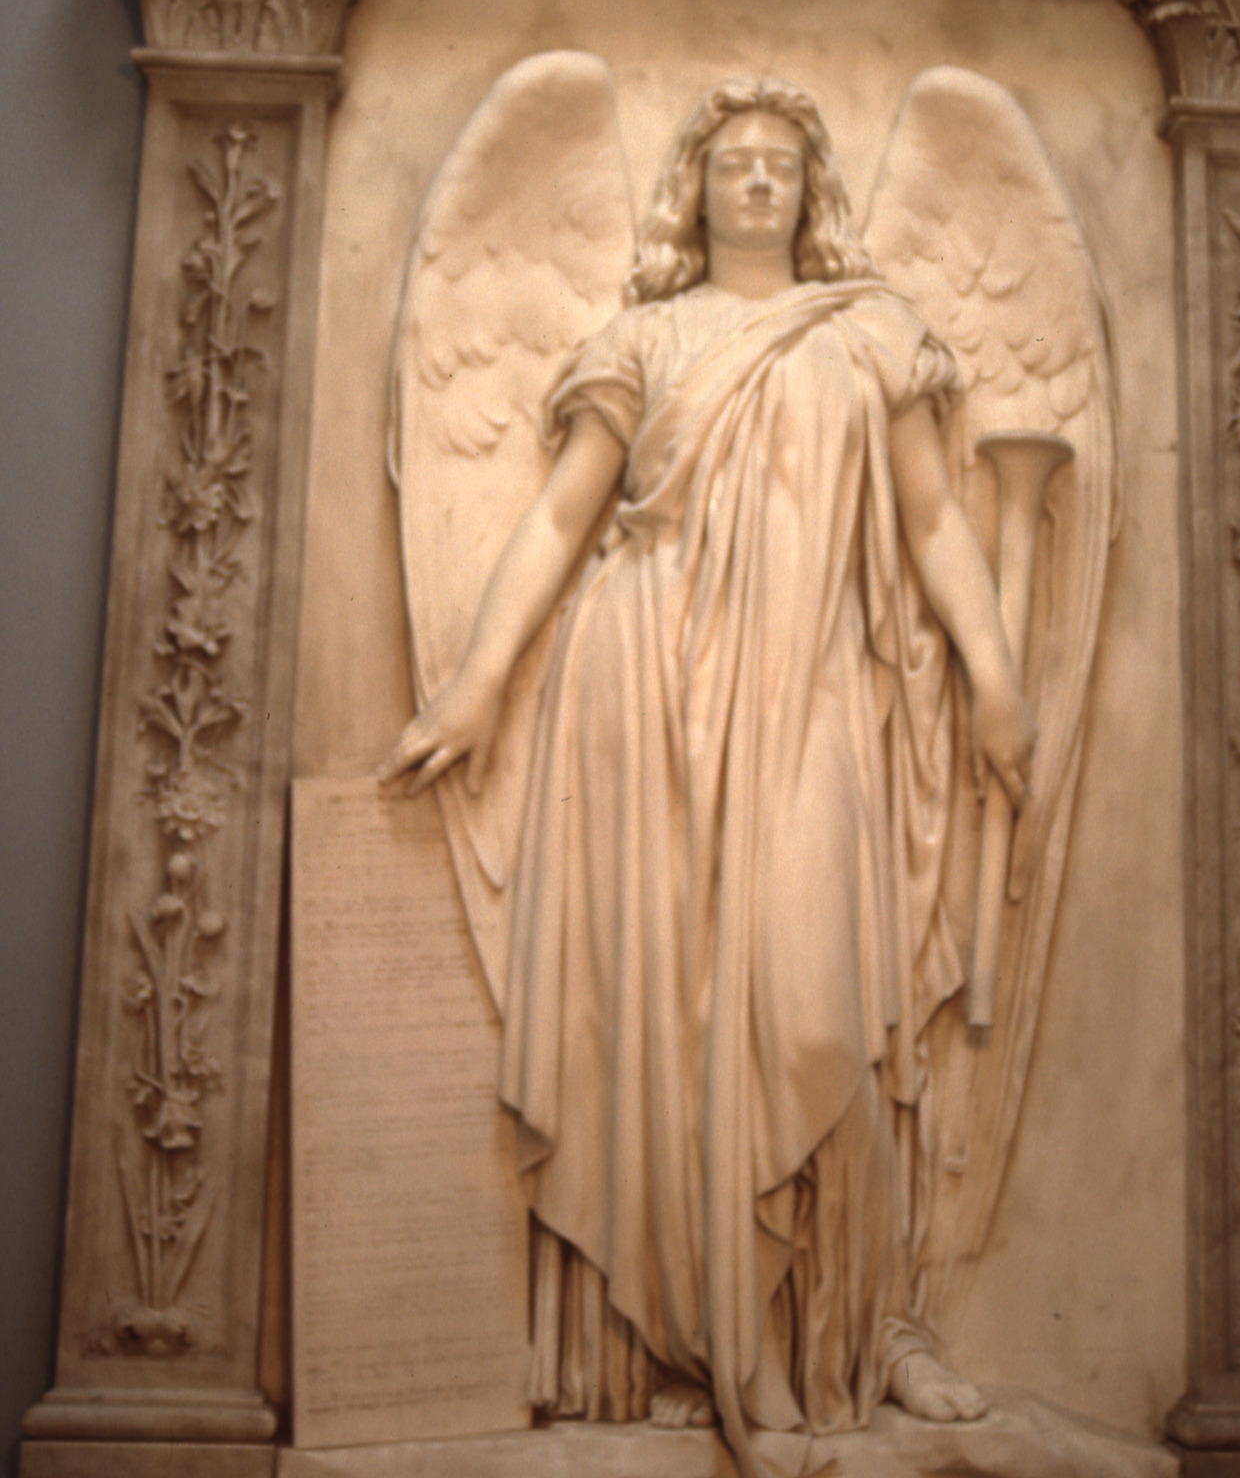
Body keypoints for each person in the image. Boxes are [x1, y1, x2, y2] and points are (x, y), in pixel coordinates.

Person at [382, 81, 1035, 1475]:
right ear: (694, 189)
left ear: (812, 190)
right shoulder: (640, 340)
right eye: (731, 164)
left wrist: (995, 675)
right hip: (641, 700)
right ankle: (686, 1348)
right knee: (664, 1030)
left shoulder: (871, 336)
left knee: (815, 1012)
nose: (754, 184)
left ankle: (845, 1339)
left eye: (779, 165)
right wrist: (482, 681)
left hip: (808, 696)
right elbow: (564, 516)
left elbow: (930, 521)